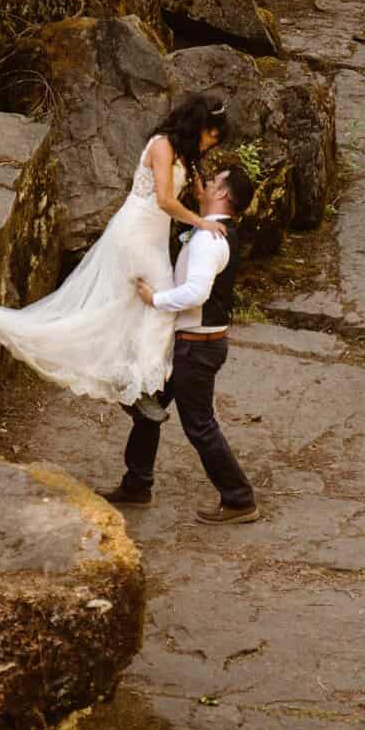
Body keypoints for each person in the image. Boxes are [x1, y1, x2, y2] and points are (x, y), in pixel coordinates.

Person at [0, 93, 230, 408]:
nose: (210, 144)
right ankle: (138, 385)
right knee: (160, 302)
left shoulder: (183, 153)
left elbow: (173, 194)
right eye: (210, 136)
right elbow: (163, 199)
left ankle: (134, 379)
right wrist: (201, 223)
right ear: (198, 125)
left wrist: (196, 191)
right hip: (136, 231)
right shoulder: (162, 145)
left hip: (154, 234)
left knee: (133, 305)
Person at [100, 162, 260, 525]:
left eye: (213, 179)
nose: (204, 181)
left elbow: (197, 292)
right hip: (189, 344)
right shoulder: (212, 232)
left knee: (199, 425)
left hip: (197, 349)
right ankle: (137, 484)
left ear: (222, 193)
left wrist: (154, 299)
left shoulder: (209, 238)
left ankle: (239, 498)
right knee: (148, 406)